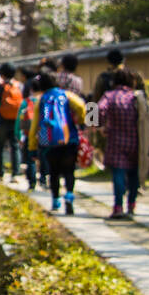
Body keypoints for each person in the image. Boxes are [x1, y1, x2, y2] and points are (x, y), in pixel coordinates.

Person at [30, 71, 87, 214]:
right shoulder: (66, 95)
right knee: (69, 170)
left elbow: (34, 125)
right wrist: (80, 122)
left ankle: (55, 200)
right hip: (69, 138)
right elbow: (81, 106)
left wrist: (32, 146)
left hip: (49, 142)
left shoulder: (41, 99)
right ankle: (69, 195)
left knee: (53, 172)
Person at [98, 69, 141, 219]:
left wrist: (97, 127)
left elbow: (97, 110)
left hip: (115, 140)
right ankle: (132, 204)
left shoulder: (109, 96)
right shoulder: (136, 97)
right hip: (136, 141)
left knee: (118, 174)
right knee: (134, 174)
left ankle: (118, 206)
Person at [0, 63, 23, 183]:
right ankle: (15, 173)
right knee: (15, 146)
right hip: (15, 120)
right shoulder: (18, 85)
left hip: (2, 120)